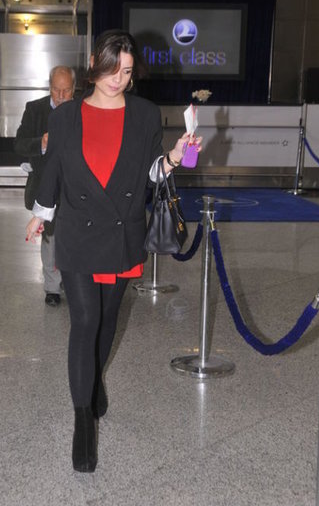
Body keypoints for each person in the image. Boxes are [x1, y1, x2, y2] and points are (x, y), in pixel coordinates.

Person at [25, 30, 202, 472]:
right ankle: (82, 420)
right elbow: (54, 167)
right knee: (85, 320)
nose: (118, 79)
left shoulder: (144, 114)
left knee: (106, 322)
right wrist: (40, 213)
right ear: (94, 64)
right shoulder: (67, 115)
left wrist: (175, 155)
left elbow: (151, 173)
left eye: (126, 72)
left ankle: (94, 380)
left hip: (123, 233)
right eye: (111, 69)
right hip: (77, 233)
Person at [15, 65, 75, 307]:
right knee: (50, 237)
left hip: (74, 186)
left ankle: (73, 282)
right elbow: (19, 144)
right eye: (56, 90)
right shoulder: (35, 109)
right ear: (49, 87)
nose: (60, 96)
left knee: (72, 238)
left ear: (74, 89)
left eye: (66, 90)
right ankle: (52, 288)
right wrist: (40, 143)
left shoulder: (82, 110)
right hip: (44, 185)